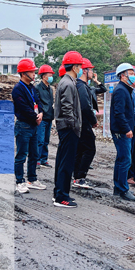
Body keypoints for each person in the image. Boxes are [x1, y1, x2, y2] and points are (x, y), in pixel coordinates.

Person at [53, 51, 83, 208]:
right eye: (79, 66)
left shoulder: (66, 82)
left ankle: (59, 192)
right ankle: (61, 197)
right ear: (74, 67)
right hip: (68, 128)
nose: (81, 69)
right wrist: (74, 125)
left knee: (62, 161)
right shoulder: (69, 84)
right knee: (66, 163)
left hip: (65, 127)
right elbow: (67, 108)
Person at [12, 59, 46, 194]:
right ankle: (19, 181)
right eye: (31, 72)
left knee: (34, 154)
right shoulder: (18, 89)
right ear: (23, 73)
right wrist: (35, 117)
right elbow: (23, 107)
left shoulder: (32, 87)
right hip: (23, 125)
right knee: (21, 155)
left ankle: (32, 179)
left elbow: (38, 101)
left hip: (33, 125)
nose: (34, 74)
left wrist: (41, 113)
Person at [110, 63, 135, 201]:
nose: (133, 76)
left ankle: (118, 187)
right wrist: (126, 129)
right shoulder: (121, 90)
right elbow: (119, 113)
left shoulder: (126, 89)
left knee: (121, 159)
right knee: (125, 159)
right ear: (122, 75)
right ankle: (122, 189)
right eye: (130, 73)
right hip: (121, 131)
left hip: (122, 130)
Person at [72, 58, 98, 190]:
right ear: (85, 70)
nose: (92, 72)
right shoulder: (81, 86)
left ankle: (77, 176)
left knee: (80, 150)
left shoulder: (81, 85)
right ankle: (80, 177)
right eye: (91, 70)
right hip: (83, 123)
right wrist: (93, 120)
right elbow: (85, 107)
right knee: (89, 149)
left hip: (80, 123)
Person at [34, 64, 54, 168]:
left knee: (46, 140)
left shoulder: (50, 89)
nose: (51, 77)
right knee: (40, 140)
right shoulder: (37, 88)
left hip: (49, 116)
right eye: (49, 75)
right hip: (42, 117)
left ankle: (43, 159)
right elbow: (37, 103)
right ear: (43, 76)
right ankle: (37, 159)